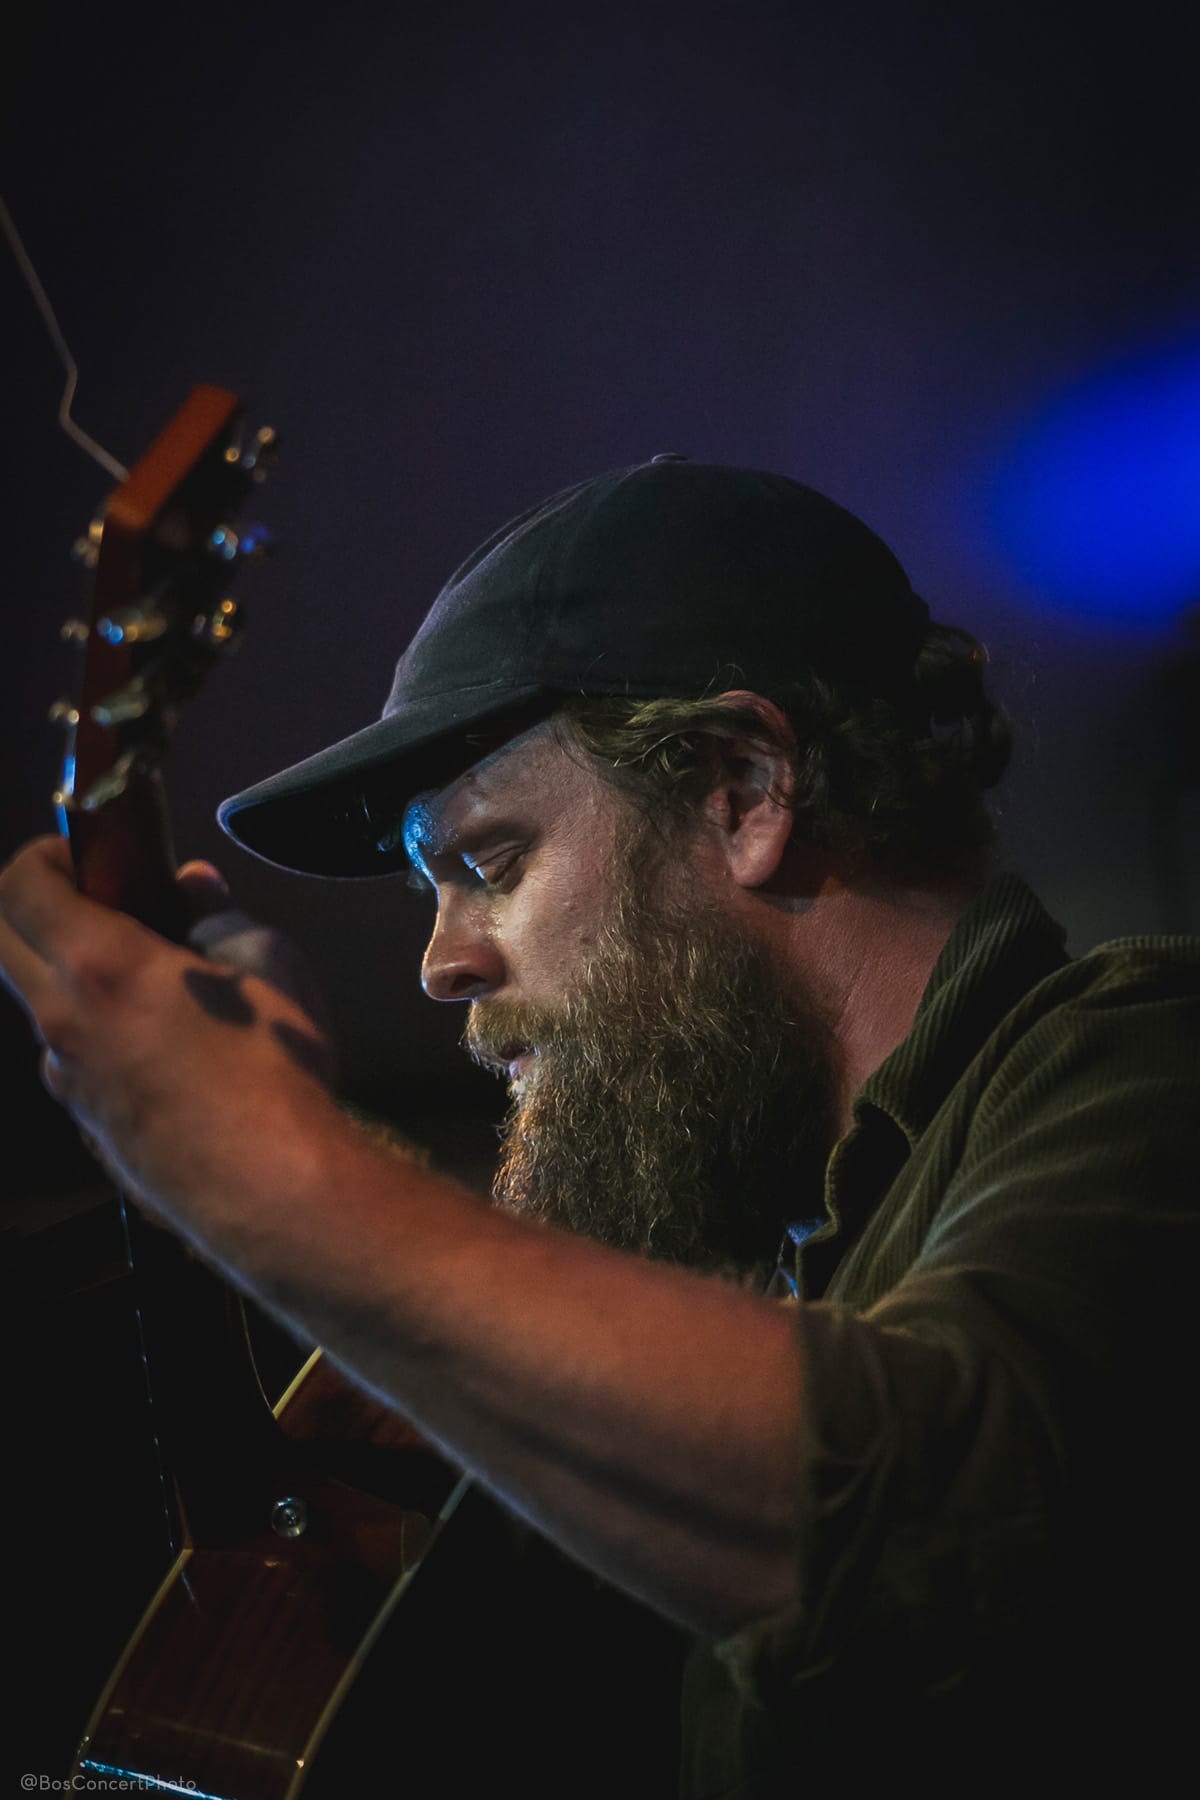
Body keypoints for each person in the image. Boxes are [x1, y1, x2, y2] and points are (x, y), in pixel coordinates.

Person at [2, 457, 1197, 1791]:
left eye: (488, 865)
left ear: (743, 790)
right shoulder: (747, 1274)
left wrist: (272, 1169)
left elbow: (937, 1524)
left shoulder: (1148, 1057)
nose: (439, 966)